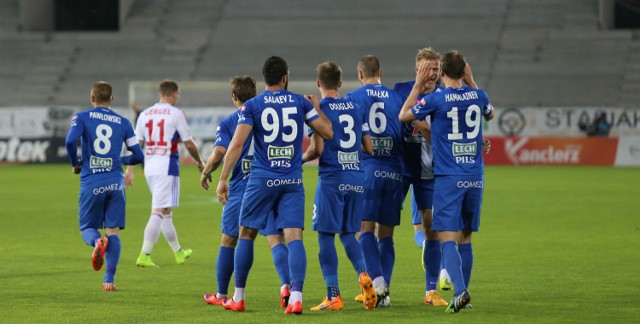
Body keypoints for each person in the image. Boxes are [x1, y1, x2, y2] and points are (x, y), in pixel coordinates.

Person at [215, 56, 333, 314]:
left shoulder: (253, 106)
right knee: (294, 236)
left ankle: (238, 296)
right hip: (291, 179)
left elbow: (236, 145)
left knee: (246, 233)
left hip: (261, 179)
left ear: (264, 78)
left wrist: (223, 177)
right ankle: (296, 297)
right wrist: (317, 108)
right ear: (285, 78)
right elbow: (327, 132)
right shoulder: (300, 102)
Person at [398, 50, 494, 313]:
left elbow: (404, 115)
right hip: (475, 177)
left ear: (441, 73)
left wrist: (417, 84)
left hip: (449, 177)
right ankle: (466, 297)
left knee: (446, 237)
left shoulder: (436, 99)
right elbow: (490, 114)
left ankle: (461, 292)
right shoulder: (479, 95)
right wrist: (472, 83)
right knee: (466, 238)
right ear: (464, 72)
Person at [200, 75, 292, 308]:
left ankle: (223, 294)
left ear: (234, 96)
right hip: (271, 183)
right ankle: (286, 286)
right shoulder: (267, 113)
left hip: (242, 188)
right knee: (275, 238)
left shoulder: (231, 122)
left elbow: (220, 152)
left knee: (230, 239)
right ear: (255, 92)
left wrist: (207, 170)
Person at [302, 61, 377, 311]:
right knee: (348, 233)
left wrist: (298, 160)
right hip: (356, 177)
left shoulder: (318, 109)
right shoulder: (356, 107)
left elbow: (317, 149)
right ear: (341, 83)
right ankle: (364, 275)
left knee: (325, 235)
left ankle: (333, 295)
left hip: (332, 178)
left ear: (318, 83)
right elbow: (370, 148)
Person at [65, 81, 144, 291]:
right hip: (116, 184)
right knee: (114, 232)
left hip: (92, 181)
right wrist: (120, 162)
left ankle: (96, 242)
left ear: (92, 98)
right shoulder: (124, 122)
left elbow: (70, 142)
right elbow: (138, 156)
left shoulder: (81, 117)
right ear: (112, 99)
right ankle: (109, 279)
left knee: (87, 228)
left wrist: (75, 164)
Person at [124, 80, 205, 268]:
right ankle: (144, 254)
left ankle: (178, 252)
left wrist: (130, 170)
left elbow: (136, 146)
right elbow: (189, 143)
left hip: (150, 168)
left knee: (166, 211)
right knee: (159, 211)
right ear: (174, 94)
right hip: (167, 167)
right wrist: (200, 162)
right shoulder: (176, 114)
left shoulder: (144, 114)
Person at [347, 55, 404, 307]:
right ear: (380, 71)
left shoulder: (352, 98)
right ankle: (384, 293)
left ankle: (378, 285)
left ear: (360, 75)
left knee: (364, 229)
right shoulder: (397, 98)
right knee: (387, 234)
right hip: (394, 170)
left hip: (367, 168)